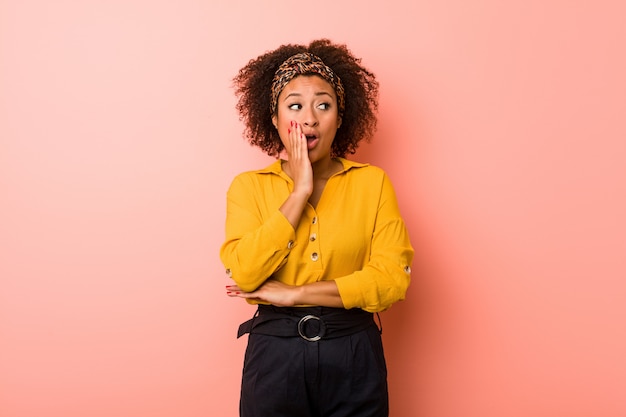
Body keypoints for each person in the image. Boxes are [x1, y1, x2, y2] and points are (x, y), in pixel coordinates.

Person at [220, 38, 414, 417]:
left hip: (354, 349)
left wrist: (296, 293)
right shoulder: (248, 187)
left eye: (323, 105)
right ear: (273, 119)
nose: (309, 118)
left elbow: (392, 280)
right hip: (275, 353)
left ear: (340, 118)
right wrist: (300, 192)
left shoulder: (372, 183)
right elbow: (243, 272)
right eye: (294, 106)